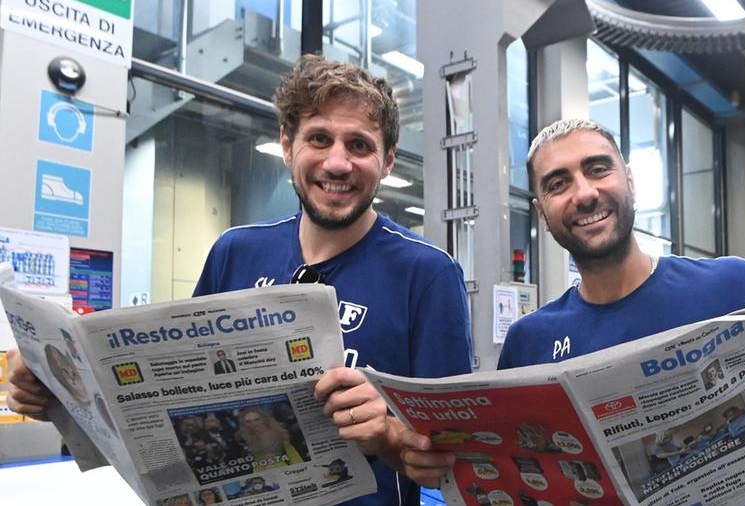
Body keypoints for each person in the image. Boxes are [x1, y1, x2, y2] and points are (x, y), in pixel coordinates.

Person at [4, 54, 473, 506]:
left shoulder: (428, 274)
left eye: (359, 145)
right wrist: (57, 390)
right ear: (288, 146)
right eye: (319, 139)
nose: (336, 163)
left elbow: (458, 457)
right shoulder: (236, 250)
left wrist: (389, 435)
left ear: (387, 160)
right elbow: (163, 399)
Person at [396, 119, 745, 506]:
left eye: (598, 169)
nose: (583, 193)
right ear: (542, 214)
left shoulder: (735, 286)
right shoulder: (530, 340)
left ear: (630, 182)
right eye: (559, 183)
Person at [236, 405, 304, 470]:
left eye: (257, 419)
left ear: (264, 419)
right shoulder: (243, 438)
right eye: (248, 421)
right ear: (244, 424)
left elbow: (294, 458)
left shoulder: (280, 434)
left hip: (284, 469)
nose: (254, 423)